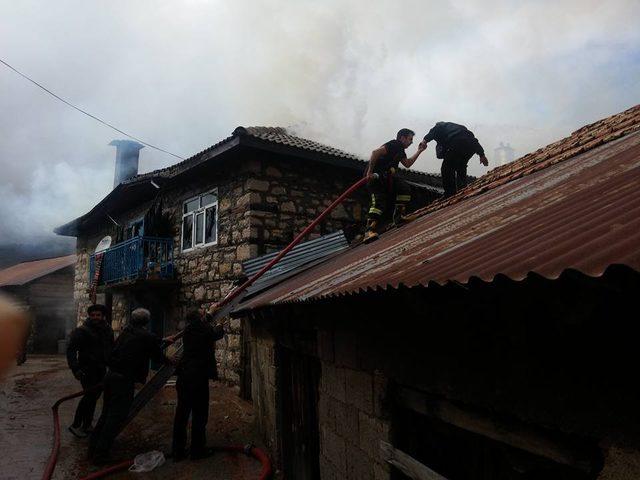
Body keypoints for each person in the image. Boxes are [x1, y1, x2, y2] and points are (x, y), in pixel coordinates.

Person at [89, 307, 173, 464]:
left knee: (106, 414)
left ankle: (93, 448)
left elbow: (141, 344)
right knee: (116, 417)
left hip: (111, 377)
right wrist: (171, 361)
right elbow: (157, 355)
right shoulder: (146, 336)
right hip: (123, 381)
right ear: (146, 322)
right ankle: (100, 455)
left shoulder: (127, 331)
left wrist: (161, 341)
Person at [171, 307, 225, 461]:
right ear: (199, 317)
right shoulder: (202, 329)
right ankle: (197, 450)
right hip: (197, 379)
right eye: (203, 313)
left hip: (184, 377)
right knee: (200, 414)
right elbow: (216, 333)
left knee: (181, 415)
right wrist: (220, 323)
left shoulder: (189, 329)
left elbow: (203, 324)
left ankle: (178, 451)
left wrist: (209, 314)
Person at [363, 128, 426, 243]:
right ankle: (368, 231)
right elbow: (375, 153)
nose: (411, 142)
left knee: (404, 188)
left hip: (385, 178)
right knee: (379, 202)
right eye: (410, 139)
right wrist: (369, 172)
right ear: (402, 138)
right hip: (374, 179)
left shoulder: (400, 151)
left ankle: (399, 217)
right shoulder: (394, 144)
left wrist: (419, 151)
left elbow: (407, 164)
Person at [66, 304, 114, 438]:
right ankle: (76, 424)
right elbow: (71, 350)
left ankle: (87, 425)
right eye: (92, 315)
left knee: (94, 397)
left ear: (102, 316)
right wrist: (75, 369)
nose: (95, 317)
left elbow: (111, 348)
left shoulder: (107, 330)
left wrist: (112, 365)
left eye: (98, 315)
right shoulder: (82, 331)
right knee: (89, 396)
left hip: (101, 369)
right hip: (86, 370)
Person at [422, 122, 489, 198]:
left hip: (457, 142)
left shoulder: (440, 126)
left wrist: (424, 141)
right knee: (461, 166)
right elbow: (473, 141)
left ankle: (450, 194)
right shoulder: (456, 128)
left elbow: (434, 131)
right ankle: (462, 189)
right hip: (471, 146)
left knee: (446, 168)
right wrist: (482, 155)